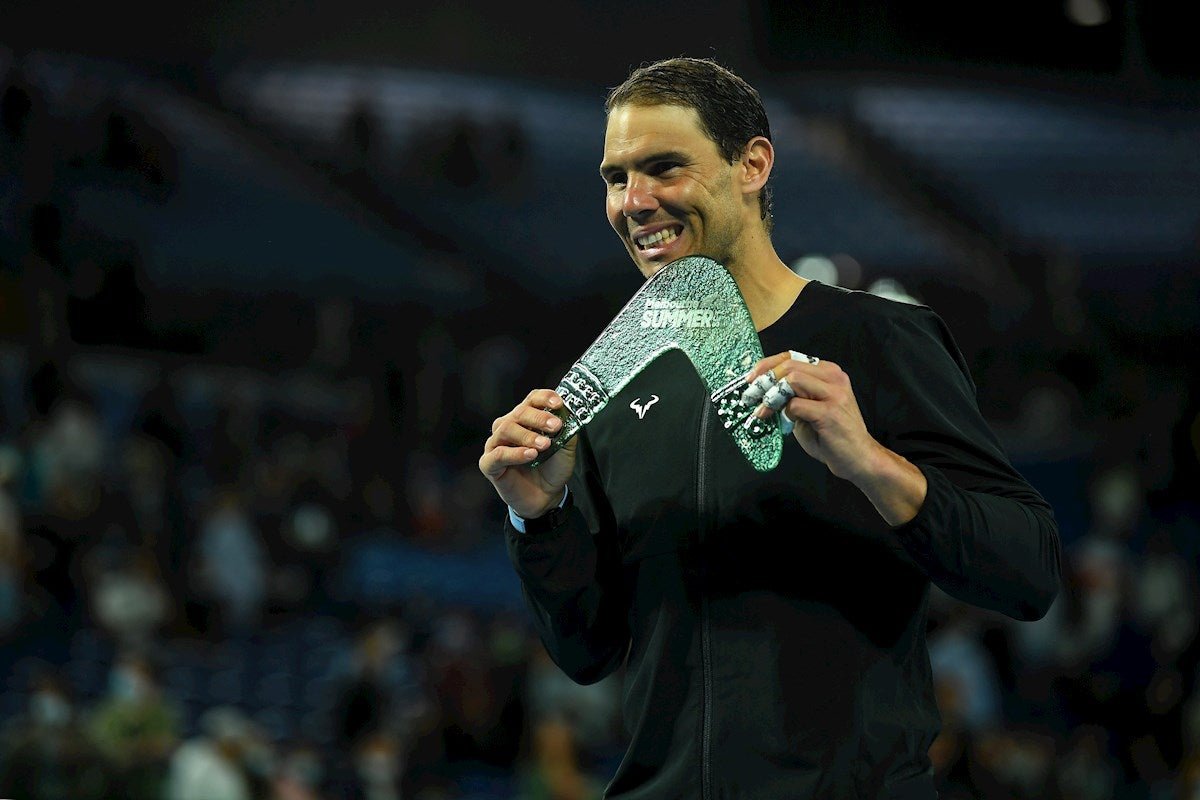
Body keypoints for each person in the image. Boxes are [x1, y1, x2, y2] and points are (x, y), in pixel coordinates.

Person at [479, 56, 1061, 799]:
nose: (636, 201)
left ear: (752, 164)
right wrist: (540, 518)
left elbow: (1029, 571)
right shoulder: (615, 382)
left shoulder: (877, 340)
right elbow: (587, 649)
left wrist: (868, 462)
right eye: (616, 178)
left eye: (664, 168)